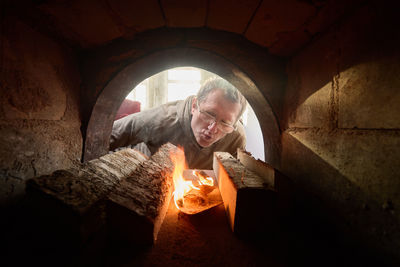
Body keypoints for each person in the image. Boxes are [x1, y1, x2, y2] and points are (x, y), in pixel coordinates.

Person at [110, 77, 247, 169]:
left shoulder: (236, 137)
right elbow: (107, 135)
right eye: (209, 114)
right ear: (194, 105)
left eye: (225, 122)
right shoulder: (161, 119)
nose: (212, 128)